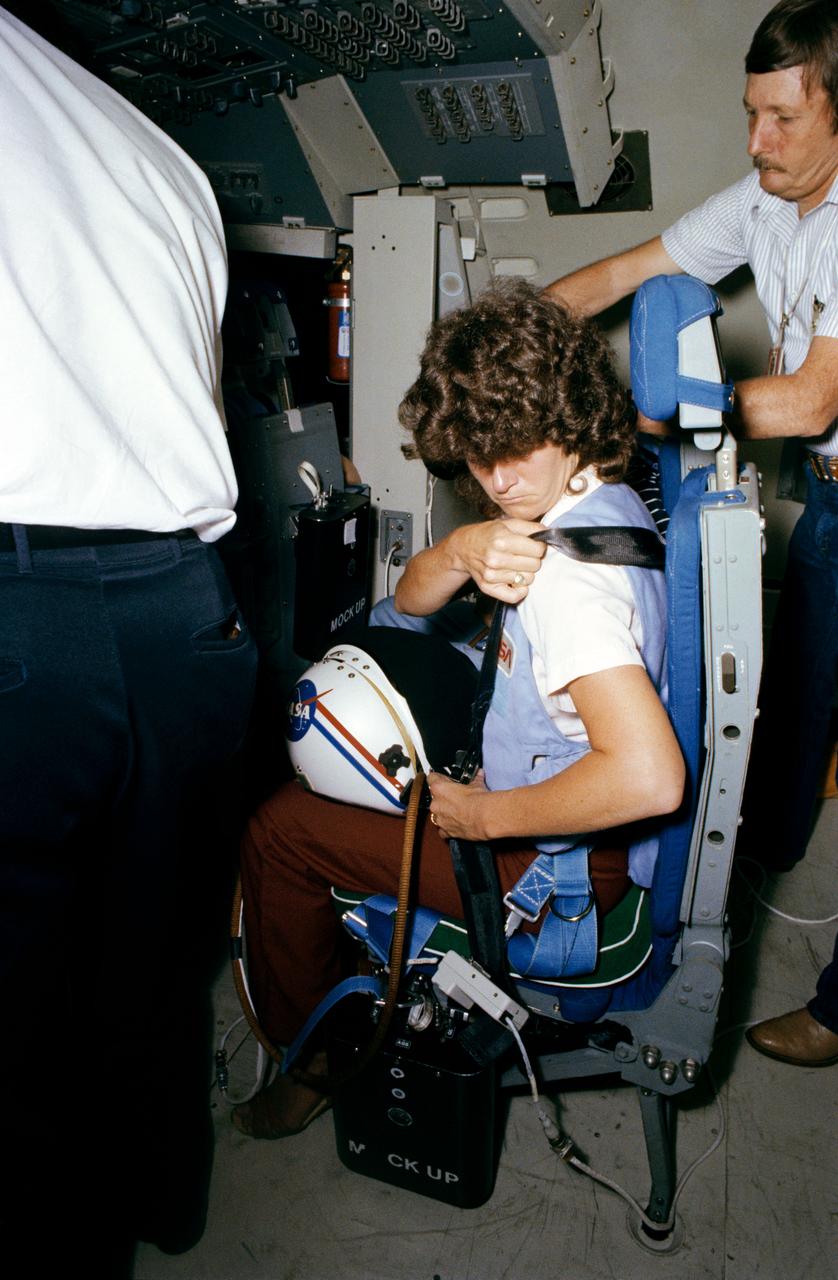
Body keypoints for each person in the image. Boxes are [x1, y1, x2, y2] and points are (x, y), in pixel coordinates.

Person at [232, 279, 684, 1139]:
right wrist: (460, 547)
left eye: (520, 445)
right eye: (479, 455)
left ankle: (315, 1060)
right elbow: (405, 603)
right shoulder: (605, 501)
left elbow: (650, 777)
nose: (502, 478)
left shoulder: (571, 593)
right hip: (558, 822)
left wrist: (482, 815)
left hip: (551, 876)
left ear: (571, 413)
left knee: (277, 830)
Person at [0, 4, 257, 1272]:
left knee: (19, 1010)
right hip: (187, 610)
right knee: (153, 961)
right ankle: (159, 1200)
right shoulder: (159, 151)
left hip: (25, 609)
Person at [543, 0, 837, 1066]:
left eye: (780, 119)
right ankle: (753, 860)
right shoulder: (767, 200)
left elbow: (806, 401)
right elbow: (624, 273)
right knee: (798, 696)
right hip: (835, 496)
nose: (754, 140)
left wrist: (635, 418)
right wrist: (517, 331)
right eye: (748, 114)